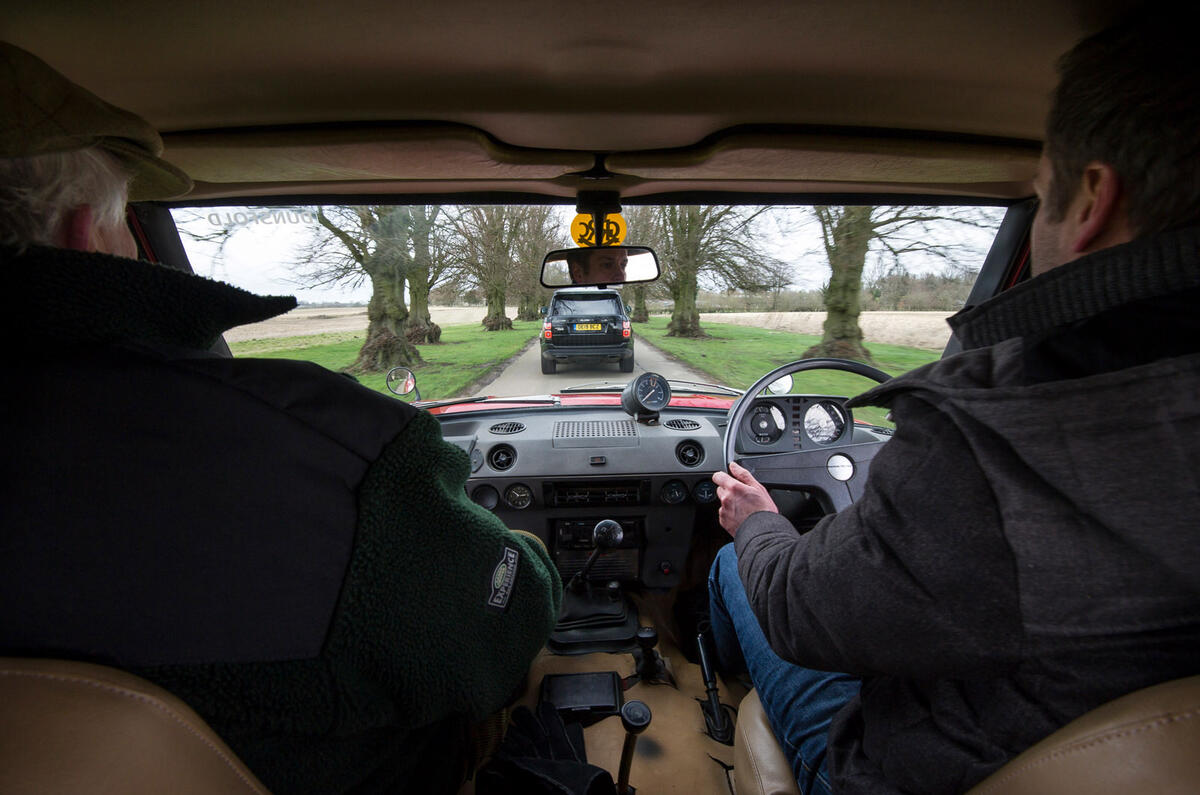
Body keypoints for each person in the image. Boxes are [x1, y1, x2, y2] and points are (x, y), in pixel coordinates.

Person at [0, 42, 561, 794]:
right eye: (127, 222)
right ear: (86, 236)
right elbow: (500, 636)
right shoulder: (340, 458)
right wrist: (522, 550)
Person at [708, 14, 1200, 795]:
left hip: (918, 766)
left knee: (738, 569)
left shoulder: (998, 440)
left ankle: (715, 690)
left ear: (1092, 200)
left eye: (1040, 198)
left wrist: (759, 520)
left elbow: (798, 607)